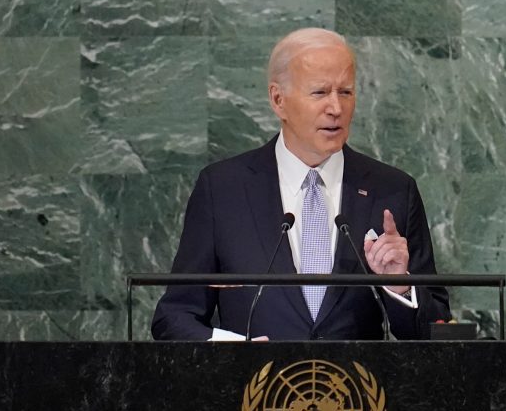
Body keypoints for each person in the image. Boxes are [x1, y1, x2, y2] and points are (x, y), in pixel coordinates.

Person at [151, 28, 451, 341]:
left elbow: (437, 333)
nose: (336, 108)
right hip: (255, 386)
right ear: (278, 100)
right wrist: (233, 351)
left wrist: (399, 285)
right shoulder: (223, 189)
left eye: (345, 92)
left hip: (359, 388)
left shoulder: (393, 190)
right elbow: (174, 316)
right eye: (320, 92)